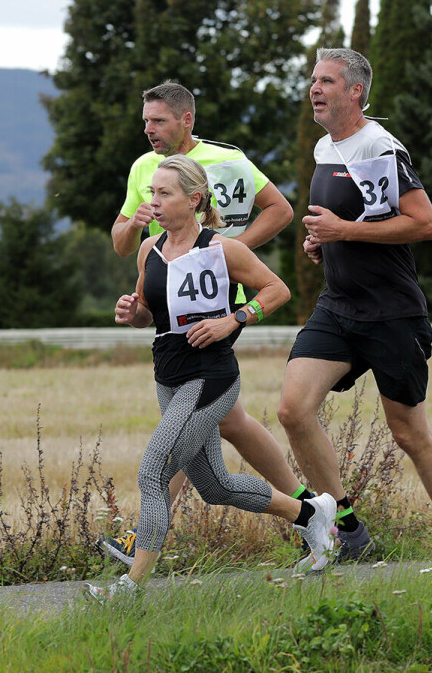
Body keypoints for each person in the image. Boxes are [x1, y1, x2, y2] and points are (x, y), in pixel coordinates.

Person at [86, 156, 338, 602]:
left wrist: (233, 319)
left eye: (165, 193)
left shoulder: (222, 248)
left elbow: (277, 290)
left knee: (153, 471)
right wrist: (133, 314)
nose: (155, 202)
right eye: (152, 193)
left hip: (212, 377)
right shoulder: (150, 249)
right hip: (169, 376)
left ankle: (130, 587)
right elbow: (149, 312)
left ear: (194, 199)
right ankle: (312, 514)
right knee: (215, 486)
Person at [276, 47, 432, 571]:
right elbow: (358, 216)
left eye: (325, 81)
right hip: (339, 307)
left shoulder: (379, 146)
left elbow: (423, 223)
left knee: (408, 432)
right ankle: (347, 529)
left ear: (354, 92)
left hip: (391, 312)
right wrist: (324, 243)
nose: (314, 88)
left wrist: (345, 232)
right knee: (292, 410)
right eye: (313, 80)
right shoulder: (326, 149)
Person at [99, 81, 316, 567]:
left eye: (158, 122)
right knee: (230, 425)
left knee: (178, 440)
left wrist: (224, 254)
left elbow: (280, 210)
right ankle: (312, 511)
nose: (150, 131)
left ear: (186, 120)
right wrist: (135, 224)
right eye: (146, 122)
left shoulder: (227, 161)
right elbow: (120, 244)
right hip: (166, 310)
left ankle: (141, 548)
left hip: (219, 310)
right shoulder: (142, 168)